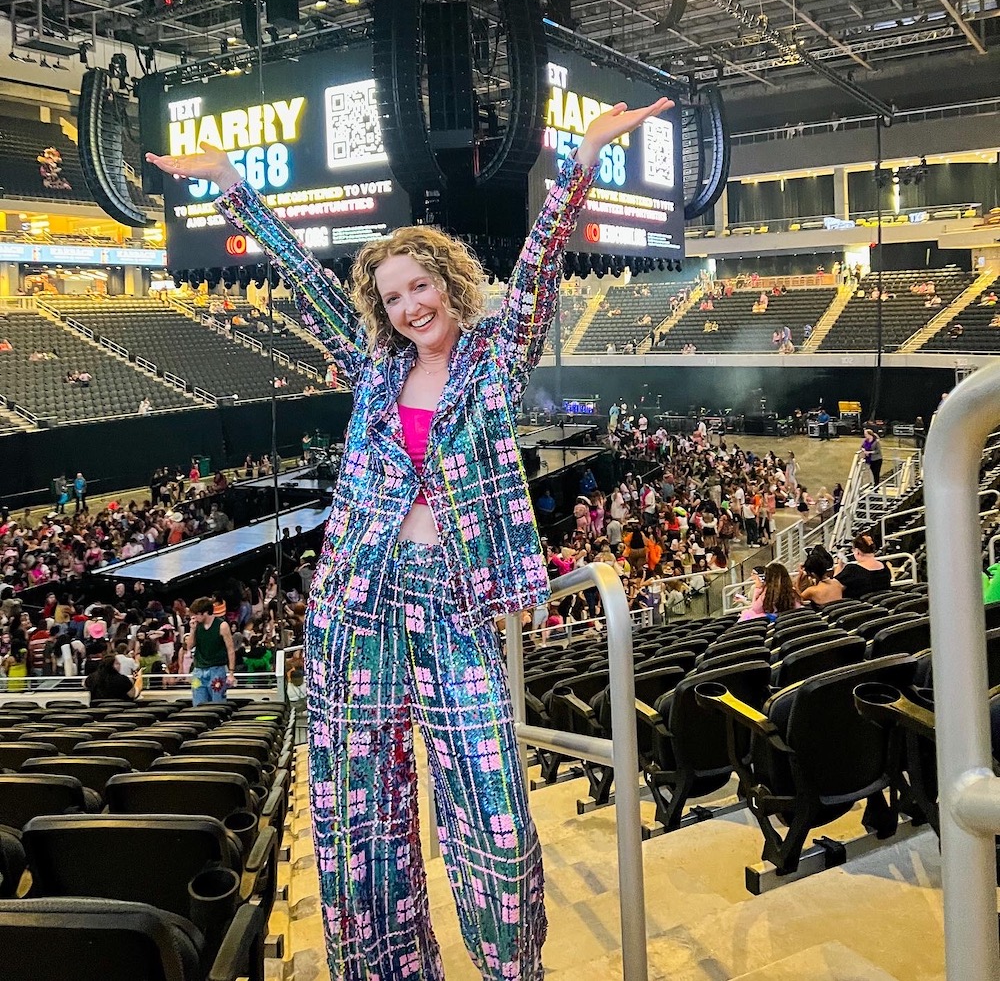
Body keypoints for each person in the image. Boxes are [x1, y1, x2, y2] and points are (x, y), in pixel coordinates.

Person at [147, 92, 672, 981]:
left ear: (448, 283)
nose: (408, 306)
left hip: (455, 598)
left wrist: (581, 160)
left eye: (418, 286)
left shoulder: (494, 360)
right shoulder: (372, 367)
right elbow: (305, 279)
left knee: (493, 804)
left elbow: (539, 270)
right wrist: (235, 190)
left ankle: (512, 966)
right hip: (357, 602)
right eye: (391, 297)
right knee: (357, 816)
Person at [185, 596, 236, 705]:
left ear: (205, 613)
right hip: (198, 670)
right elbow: (189, 646)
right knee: (197, 703)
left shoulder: (222, 626)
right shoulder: (197, 626)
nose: (194, 617)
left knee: (217, 703)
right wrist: (192, 630)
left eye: (196, 614)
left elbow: (230, 649)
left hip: (216, 669)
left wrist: (231, 672)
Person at [834, 532, 892, 598]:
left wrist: (839, 566)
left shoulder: (852, 570)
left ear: (857, 551)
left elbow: (833, 587)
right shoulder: (885, 567)